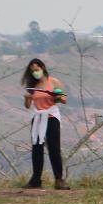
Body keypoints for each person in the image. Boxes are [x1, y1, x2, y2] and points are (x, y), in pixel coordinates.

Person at [22, 57, 70, 190]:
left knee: (54, 148)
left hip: (51, 116)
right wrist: (27, 98)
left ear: (42, 68)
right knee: (37, 148)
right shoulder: (33, 86)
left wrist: (57, 96)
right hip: (37, 116)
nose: (35, 73)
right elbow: (27, 105)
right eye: (32, 71)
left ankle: (59, 179)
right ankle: (36, 179)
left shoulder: (53, 81)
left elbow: (63, 100)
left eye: (37, 70)